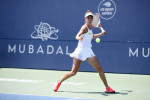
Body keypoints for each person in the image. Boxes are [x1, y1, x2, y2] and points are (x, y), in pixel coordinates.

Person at [53, 10, 115, 93]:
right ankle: (59, 82)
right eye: (88, 18)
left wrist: (101, 34)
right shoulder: (84, 28)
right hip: (80, 51)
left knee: (99, 68)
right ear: (85, 19)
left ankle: (107, 88)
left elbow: (92, 36)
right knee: (73, 72)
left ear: (92, 20)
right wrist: (79, 38)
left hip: (89, 51)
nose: (89, 19)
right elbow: (77, 36)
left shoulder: (90, 29)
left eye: (91, 18)